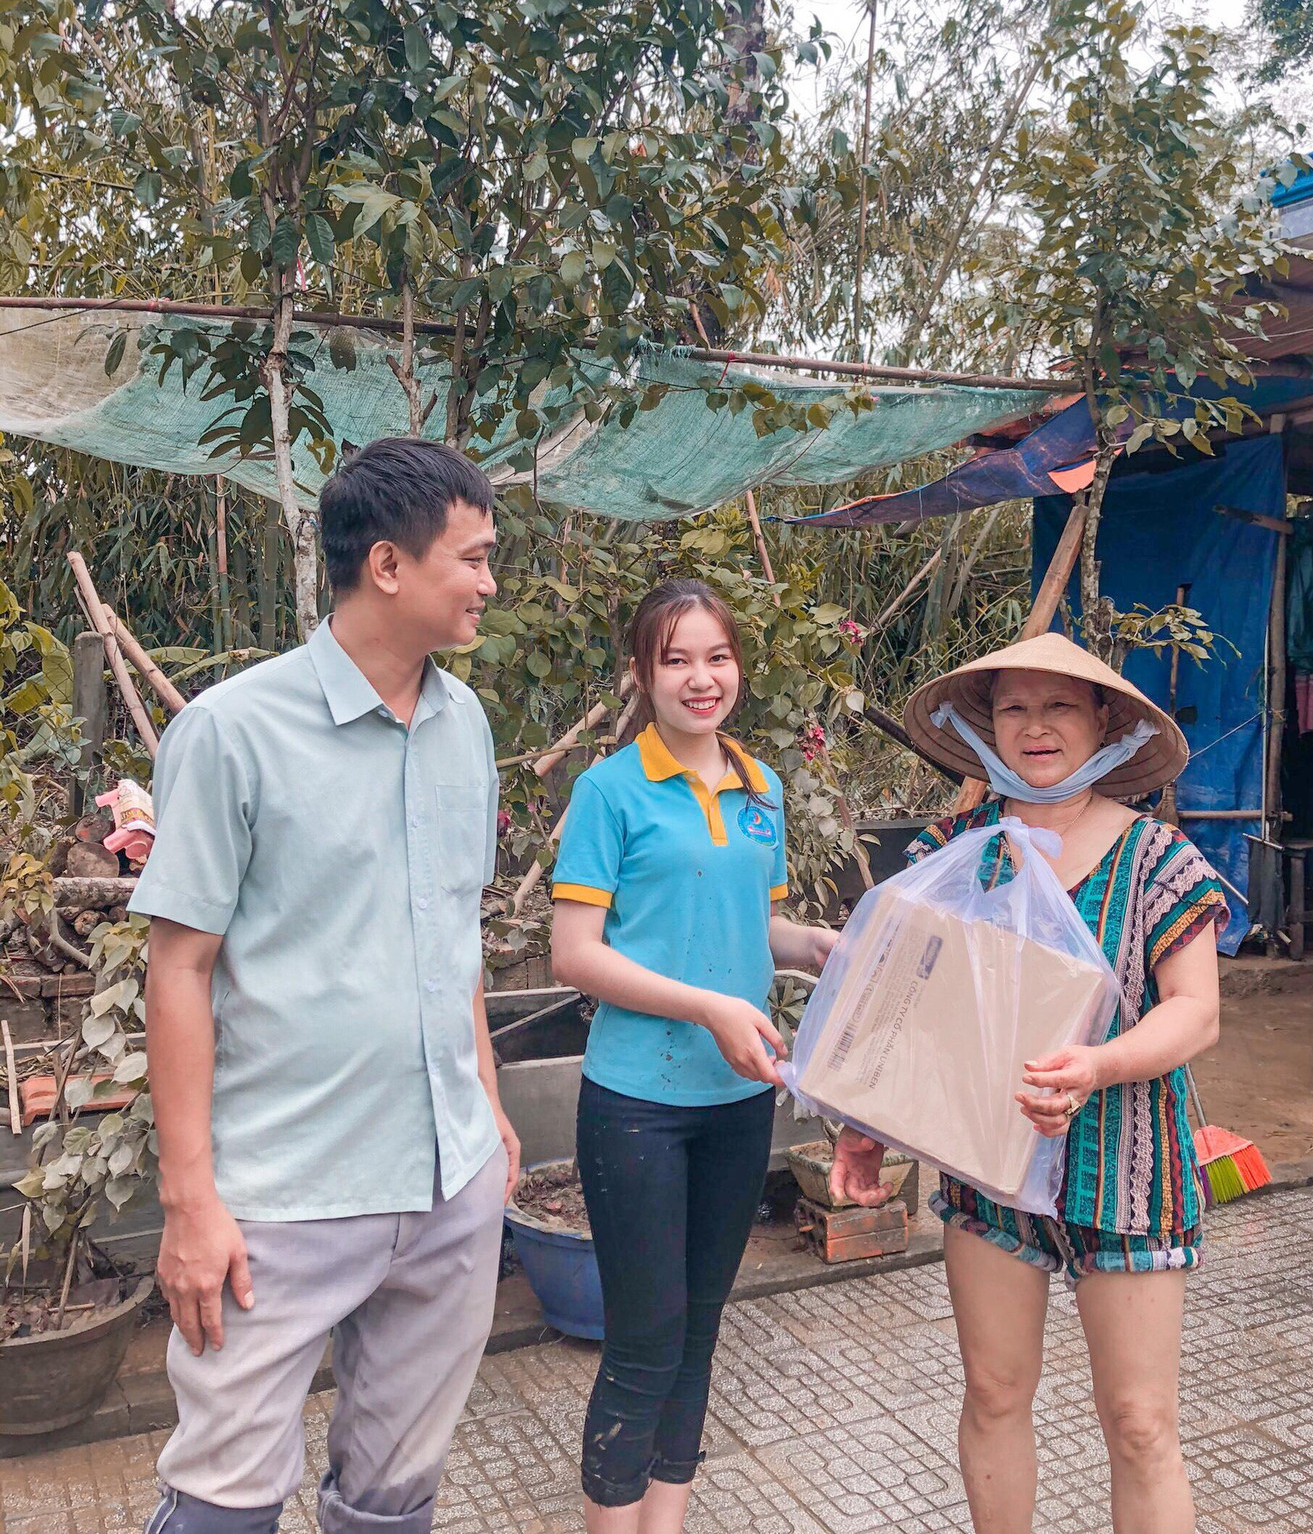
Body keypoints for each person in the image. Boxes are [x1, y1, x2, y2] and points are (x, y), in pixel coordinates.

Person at [134, 438, 519, 1534]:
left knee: (394, 1492)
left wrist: (486, 1106)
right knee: (223, 1496)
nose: (490, 582)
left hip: (447, 1185)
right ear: (387, 564)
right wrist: (190, 1199)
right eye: (475, 556)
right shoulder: (230, 731)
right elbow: (180, 964)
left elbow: (460, 934)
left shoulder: (466, 724)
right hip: (281, 1195)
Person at [831, 632, 1223, 1534]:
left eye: (1060, 707)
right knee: (995, 1390)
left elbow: (1195, 1011)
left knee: (1139, 1421)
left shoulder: (1157, 858)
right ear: (987, 725)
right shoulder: (956, 847)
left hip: (1122, 1170)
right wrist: (864, 1123)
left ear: (1104, 724)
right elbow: (902, 1004)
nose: (1036, 726)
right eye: (1014, 707)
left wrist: (1098, 1064)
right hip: (989, 1162)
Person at [549, 578, 836, 1533]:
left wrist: (814, 946)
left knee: (702, 1329)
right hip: (636, 1102)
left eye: (716, 656)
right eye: (676, 659)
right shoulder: (609, 790)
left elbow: (751, 927)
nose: (700, 677)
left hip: (738, 1096)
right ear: (644, 675)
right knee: (642, 1341)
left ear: (738, 668)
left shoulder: (764, 789)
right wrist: (712, 1005)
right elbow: (575, 952)